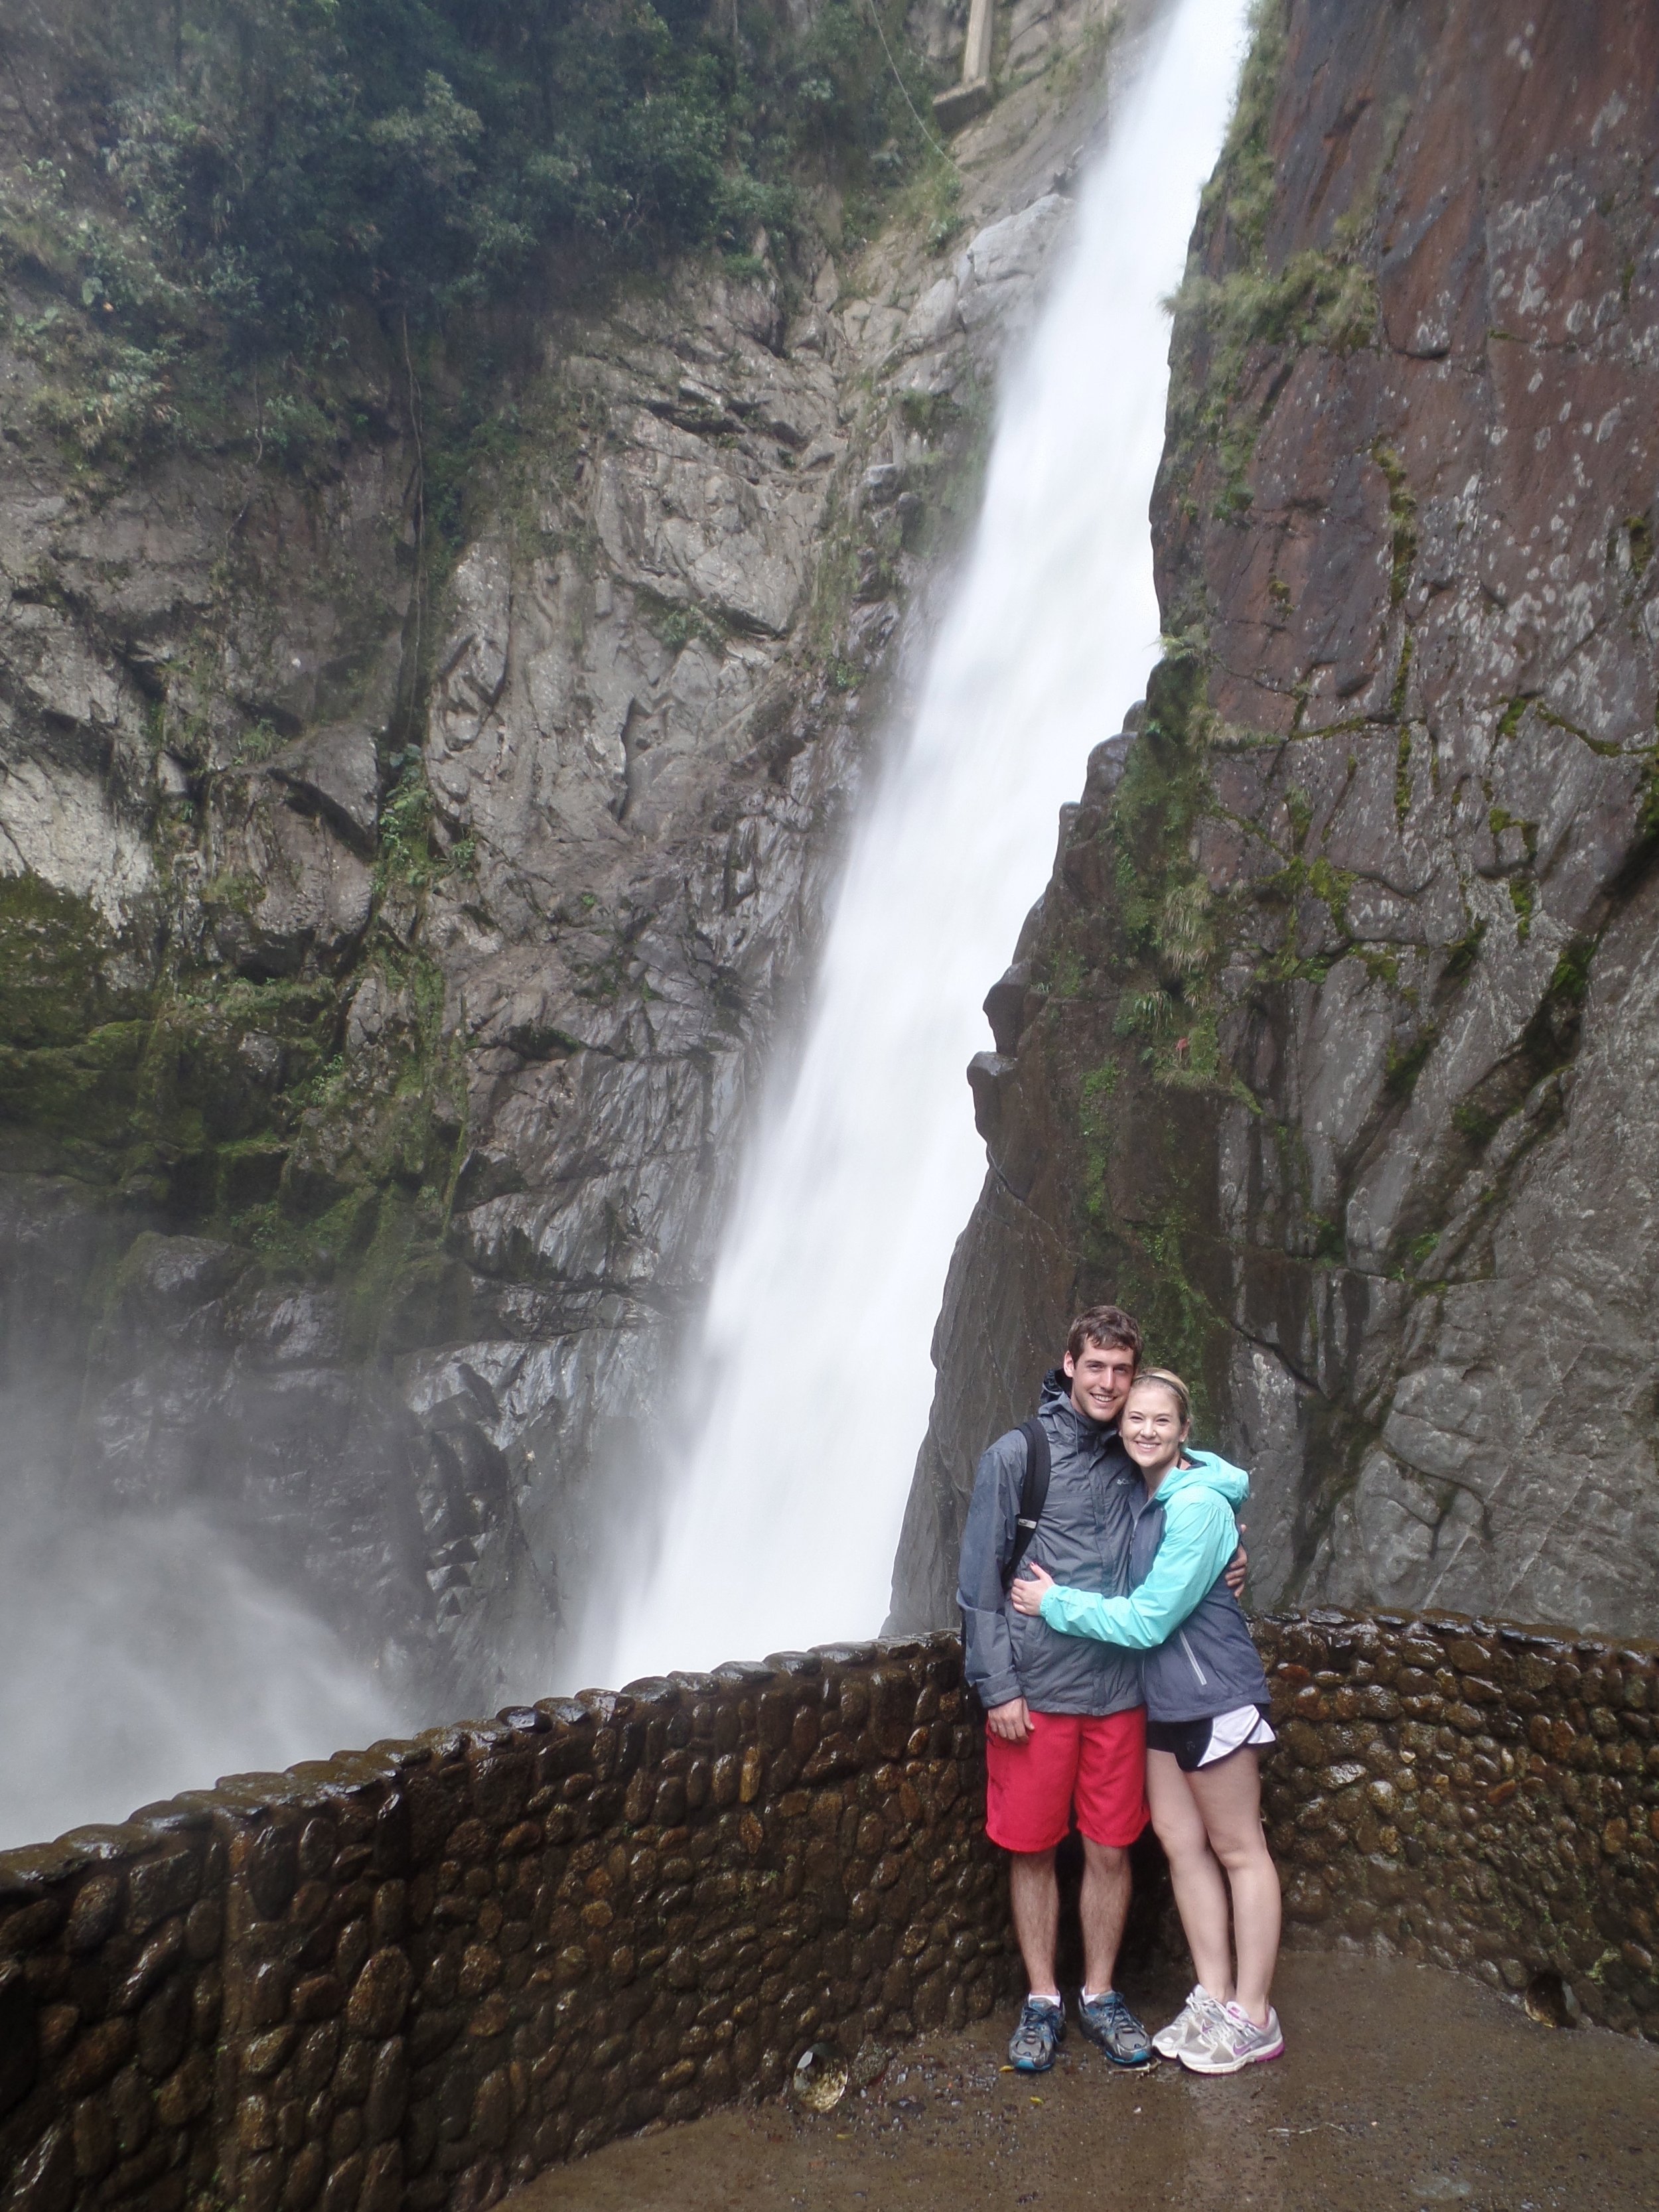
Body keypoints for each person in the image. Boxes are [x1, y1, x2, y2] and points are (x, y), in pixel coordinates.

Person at [956, 1307, 1247, 2074]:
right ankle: (1043, 1997)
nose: (1109, 1383)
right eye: (1097, 1367)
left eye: (1123, 1370)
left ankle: (1100, 1991)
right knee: (1031, 1850)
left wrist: (1230, 1554)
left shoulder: (1140, 1453)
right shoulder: (1019, 1455)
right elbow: (979, 1584)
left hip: (1122, 1695)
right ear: (1069, 1365)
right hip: (1038, 1693)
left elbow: (1203, 1494)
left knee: (1111, 1849)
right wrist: (997, 1688)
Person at [1010, 1367, 1284, 2074]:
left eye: (1160, 1420)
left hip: (1211, 1694)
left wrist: (1054, 1604)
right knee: (1181, 1845)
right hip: (1161, 1700)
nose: (1144, 1429)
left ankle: (1253, 2014)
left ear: (1184, 1430)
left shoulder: (1193, 1505)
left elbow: (1152, 1616)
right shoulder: (1145, 1493)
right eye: (1134, 1418)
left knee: (1238, 1850)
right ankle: (1214, 1994)